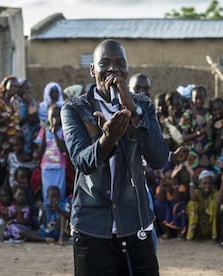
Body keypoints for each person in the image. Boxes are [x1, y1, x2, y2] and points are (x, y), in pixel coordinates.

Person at [61, 39, 169, 275]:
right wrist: (107, 139)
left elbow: (159, 158)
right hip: (91, 226)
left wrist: (136, 113)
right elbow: (82, 161)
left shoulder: (143, 105)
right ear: (92, 70)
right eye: (105, 63)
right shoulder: (75, 109)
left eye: (120, 63)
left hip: (136, 222)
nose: (113, 69)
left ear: (127, 69)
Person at [185, 169, 220, 241]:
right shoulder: (197, 192)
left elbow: (218, 200)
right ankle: (191, 233)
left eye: (209, 183)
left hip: (210, 224)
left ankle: (214, 235)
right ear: (200, 185)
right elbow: (192, 198)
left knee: (215, 204)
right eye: (204, 183)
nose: (207, 185)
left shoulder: (214, 192)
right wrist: (191, 179)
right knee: (191, 204)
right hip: (198, 225)